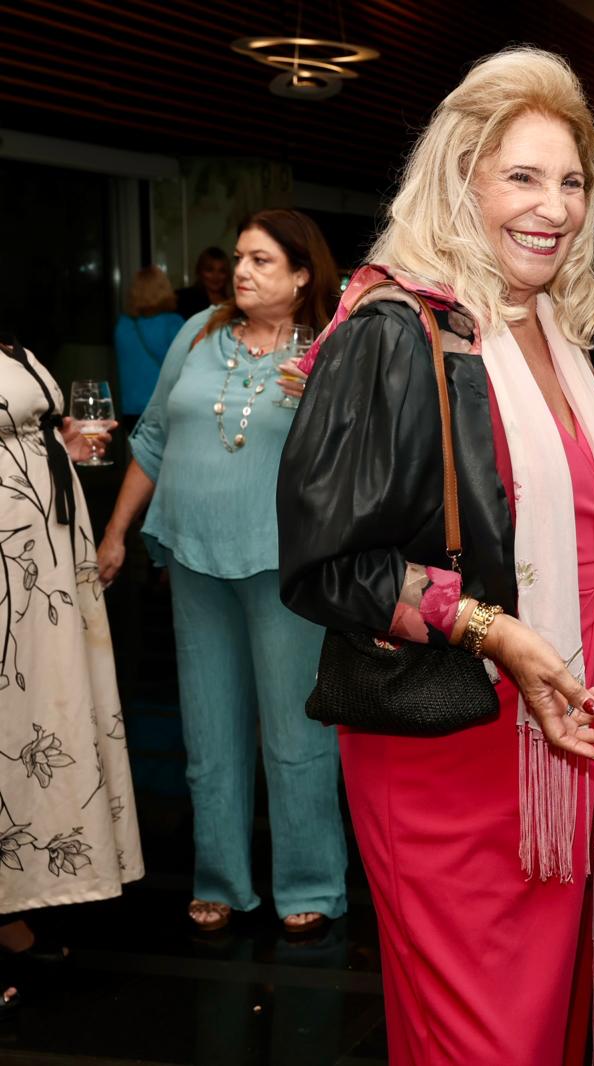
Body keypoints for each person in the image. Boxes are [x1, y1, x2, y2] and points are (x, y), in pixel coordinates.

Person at [277, 47, 594, 1066]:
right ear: (462, 178)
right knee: (486, 1042)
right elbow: (324, 565)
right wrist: (492, 628)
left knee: (544, 1030)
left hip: (563, 730)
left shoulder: (559, 339)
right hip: (448, 746)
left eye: (572, 181)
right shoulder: (393, 329)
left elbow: (580, 537)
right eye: (522, 176)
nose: (555, 206)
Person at [95, 209, 346, 937]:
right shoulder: (198, 331)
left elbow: (360, 459)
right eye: (240, 257)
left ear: (303, 276)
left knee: (295, 735)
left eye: (263, 261)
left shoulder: (327, 348)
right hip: (193, 556)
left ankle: (311, 881)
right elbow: (152, 438)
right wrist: (117, 533)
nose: (242, 272)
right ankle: (221, 880)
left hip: (284, 564)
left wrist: (322, 406)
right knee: (208, 731)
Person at [0, 333, 143, 1011]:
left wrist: (66, 444)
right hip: (11, 564)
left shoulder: (13, 344)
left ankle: (17, 901)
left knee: (34, 717)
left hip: (44, 564)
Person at [113, 266, 185, 419]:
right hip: (163, 408)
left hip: (130, 410)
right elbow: (185, 365)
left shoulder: (123, 325)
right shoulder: (172, 323)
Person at [174, 246, 231, 321]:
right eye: (209, 270)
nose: (215, 277)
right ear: (199, 271)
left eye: (221, 271)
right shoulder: (184, 299)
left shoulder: (234, 303)